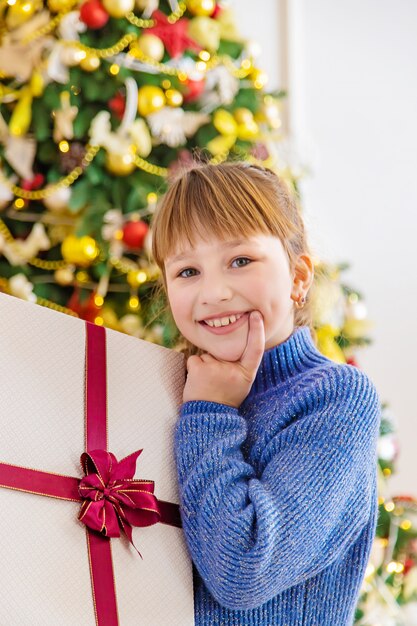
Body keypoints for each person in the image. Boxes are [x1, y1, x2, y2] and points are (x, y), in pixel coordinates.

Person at [150, 161, 381, 625]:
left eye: (240, 261)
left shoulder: (335, 398)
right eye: (188, 271)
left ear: (298, 277)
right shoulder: (170, 387)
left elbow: (244, 571)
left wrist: (211, 412)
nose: (213, 293)